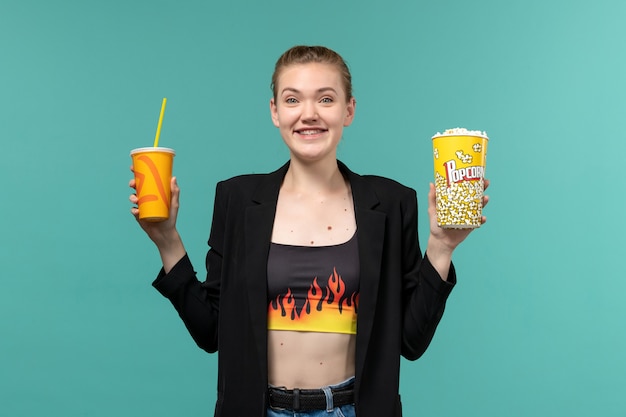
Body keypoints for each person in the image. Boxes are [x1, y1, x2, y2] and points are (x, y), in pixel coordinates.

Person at [129, 45, 489, 417]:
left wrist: (442, 248)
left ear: (348, 110)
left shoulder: (392, 203)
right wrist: (167, 241)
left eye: (326, 99)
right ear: (275, 112)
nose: (309, 114)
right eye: (292, 99)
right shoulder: (237, 199)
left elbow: (411, 341)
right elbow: (210, 332)